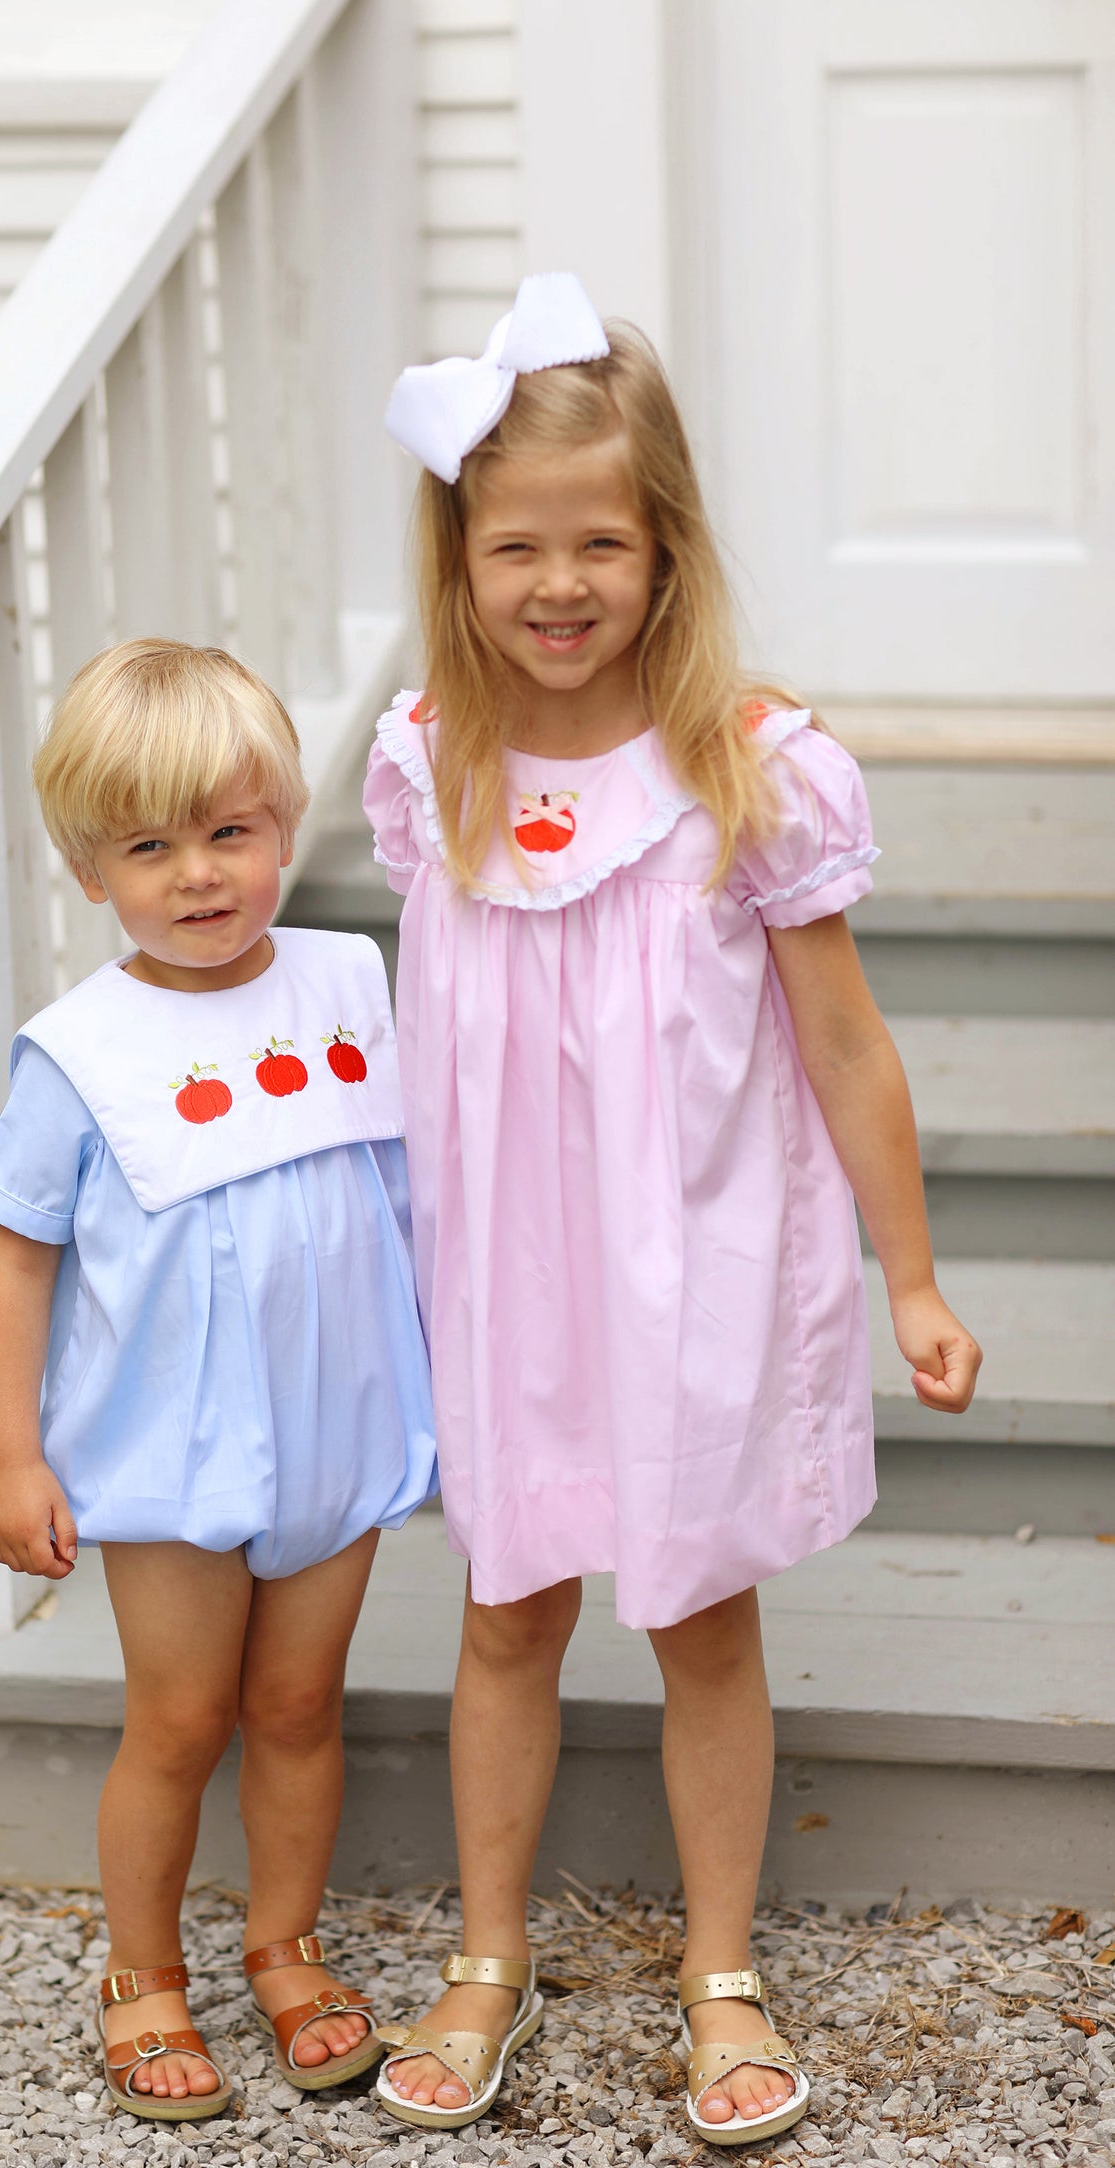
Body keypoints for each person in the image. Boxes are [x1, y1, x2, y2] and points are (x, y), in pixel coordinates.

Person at [363, 275, 981, 2146]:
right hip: (509, 1277)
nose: (559, 584)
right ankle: (489, 1951)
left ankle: (719, 1970)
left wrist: (913, 1275)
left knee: (701, 1614)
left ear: (666, 547)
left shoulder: (748, 774)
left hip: (693, 1261)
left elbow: (847, 1048)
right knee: (505, 1612)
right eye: (515, 546)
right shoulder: (429, 766)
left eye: (602, 544)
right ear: (460, 557)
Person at [0, 640, 436, 2122]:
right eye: (148, 846)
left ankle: (284, 1943)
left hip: (334, 1428)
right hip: (172, 1453)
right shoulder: (82, 1054)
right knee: (180, 1718)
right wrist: (8, 1456)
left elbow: (415, 1193)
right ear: (91, 869)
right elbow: (16, 1262)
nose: (199, 875)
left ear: (285, 827)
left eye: (231, 832)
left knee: (299, 1702)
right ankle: (142, 1973)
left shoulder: (349, 980)